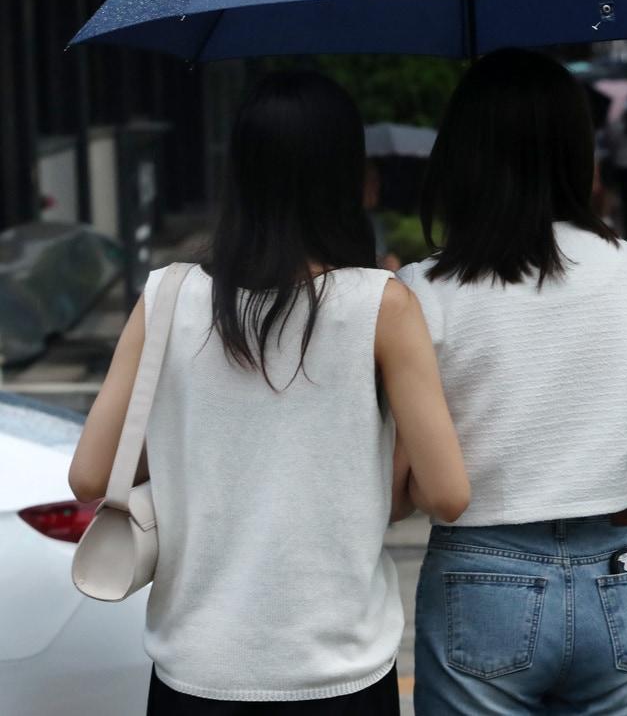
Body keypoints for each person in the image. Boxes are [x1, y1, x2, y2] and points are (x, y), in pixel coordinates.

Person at [68, 72, 470, 715]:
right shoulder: (382, 305)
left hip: (193, 671)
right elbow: (448, 494)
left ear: (242, 176)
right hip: (338, 672)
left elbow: (91, 474)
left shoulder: (169, 294)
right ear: (349, 179)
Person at [400, 49, 627, 715]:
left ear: (463, 153)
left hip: (481, 568)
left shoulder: (423, 289)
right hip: (618, 566)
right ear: (576, 148)